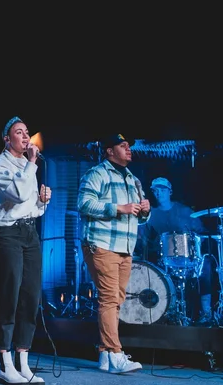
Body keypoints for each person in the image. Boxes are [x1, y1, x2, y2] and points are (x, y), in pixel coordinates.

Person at [77, 133, 149, 375]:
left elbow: (139, 217)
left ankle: (105, 355)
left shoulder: (133, 179)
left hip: (125, 247)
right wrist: (119, 208)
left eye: (129, 146)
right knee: (109, 299)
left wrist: (145, 210)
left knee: (116, 300)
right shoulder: (97, 174)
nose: (128, 149)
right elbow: (84, 204)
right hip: (101, 243)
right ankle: (116, 354)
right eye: (123, 145)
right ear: (109, 151)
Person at [0, 116, 52, 383]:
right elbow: (17, 195)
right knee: (10, 296)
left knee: (30, 296)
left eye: (27, 132)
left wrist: (43, 201)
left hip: (29, 233)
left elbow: (32, 207)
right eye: (19, 132)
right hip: (8, 233)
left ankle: (23, 362)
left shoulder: (28, 165)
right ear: (7, 139)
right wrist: (32, 163)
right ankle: (5, 364)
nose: (26, 137)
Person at [138, 176, 214, 325]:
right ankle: (163, 312)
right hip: (162, 260)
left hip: (189, 258)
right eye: (155, 190)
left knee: (206, 267)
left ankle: (206, 312)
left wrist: (195, 242)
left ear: (170, 191)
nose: (159, 193)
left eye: (162, 190)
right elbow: (143, 238)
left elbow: (201, 233)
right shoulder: (151, 215)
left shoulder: (184, 211)